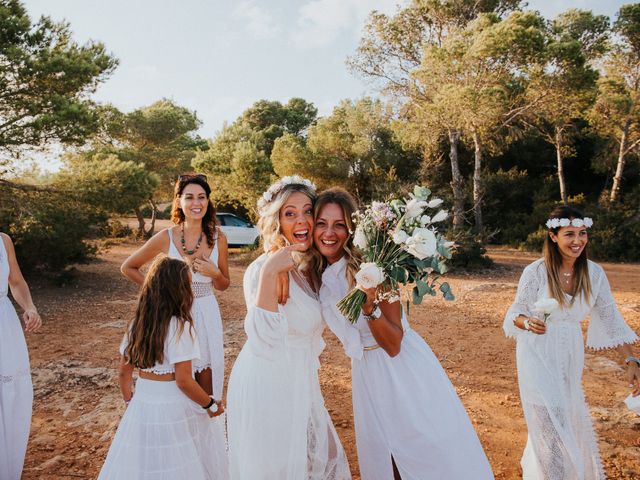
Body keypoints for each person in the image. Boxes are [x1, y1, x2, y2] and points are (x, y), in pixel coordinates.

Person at [315, 188, 494, 480]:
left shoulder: (375, 266)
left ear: (351, 229)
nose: (329, 233)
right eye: (321, 223)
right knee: (385, 458)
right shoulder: (321, 275)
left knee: (422, 453)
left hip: (401, 370)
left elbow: (394, 342)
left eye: (339, 225)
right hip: (366, 372)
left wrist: (369, 303)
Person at [226, 176, 351, 480]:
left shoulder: (307, 265)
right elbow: (262, 338)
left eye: (308, 211)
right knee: (278, 467)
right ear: (277, 221)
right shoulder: (263, 268)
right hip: (268, 381)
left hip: (300, 377)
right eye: (290, 213)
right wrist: (270, 271)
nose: (302, 220)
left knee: (316, 460)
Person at [504, 205, 640, 479]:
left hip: (569, 352)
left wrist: (632, 359)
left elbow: (611, 318)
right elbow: (514, 313)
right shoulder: (536, 271)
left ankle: (540, 464)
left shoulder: (594, 274)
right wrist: (528, 322)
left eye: (582, 233)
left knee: (562, 413)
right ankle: (552, 473)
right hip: (536, 352)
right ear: (553, 236)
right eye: (569, 234)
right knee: (545, 416)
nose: (577, 240)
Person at [99, 256, 227, 479]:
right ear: (177, 291)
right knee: (177, 460)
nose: (192, 291)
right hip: (173, 405)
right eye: (188, 285)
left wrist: (130, 401)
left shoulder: (137, 323)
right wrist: (209, 404)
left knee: (144, 461)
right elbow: (184, 380)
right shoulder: (180, 327)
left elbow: (124, 372)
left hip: (143, 401)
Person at [121, 173, 229, 407]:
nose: (196, 203)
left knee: (206, 381)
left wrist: (215, 274)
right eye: (189, 197)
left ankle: (207, 435)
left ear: (208, 201)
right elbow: (128, 267)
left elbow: (223, 285)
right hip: (173, 315)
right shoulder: (165, 238)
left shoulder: (219, 238)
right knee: (178, 379)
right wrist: (161, 292)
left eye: (202, 197)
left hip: (206, 313)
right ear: (178, 201)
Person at [0, 233, 42, 480]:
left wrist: (29, 307)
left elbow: (15, 282)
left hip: (3, 327)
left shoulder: (3, 240)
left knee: (10, 397)